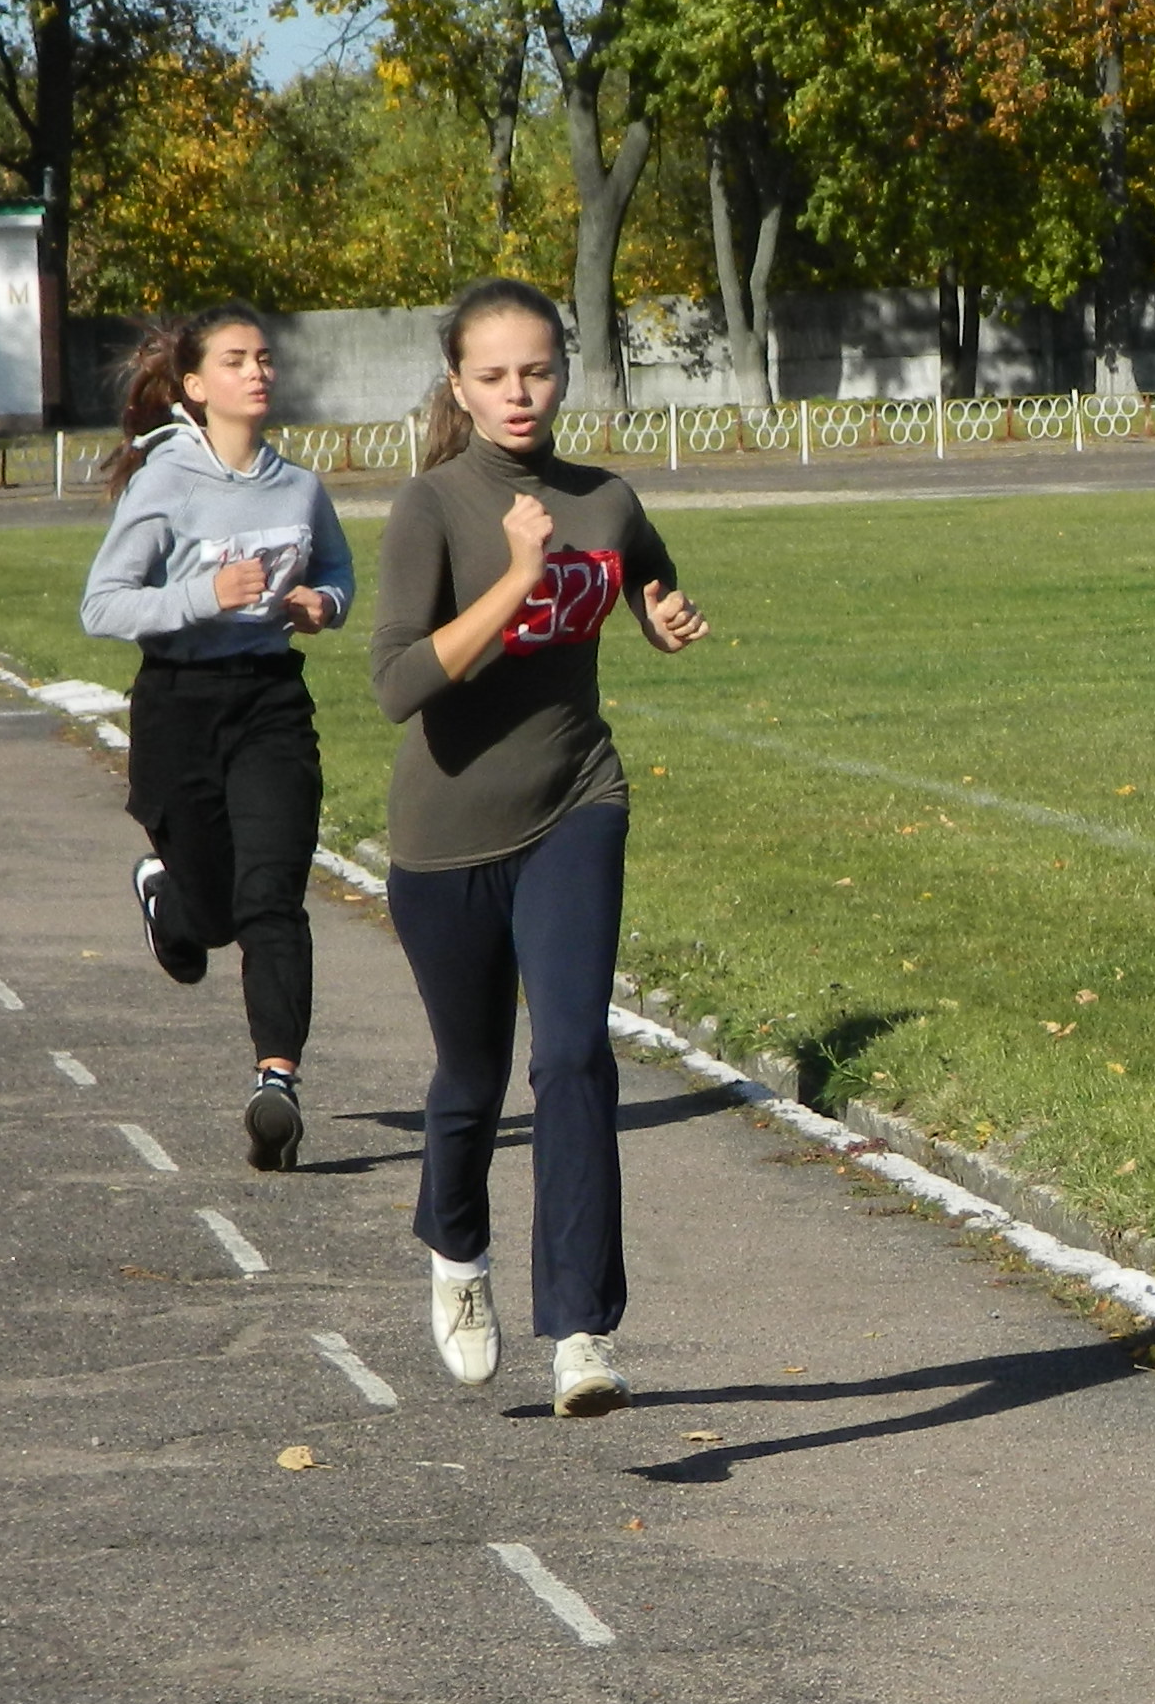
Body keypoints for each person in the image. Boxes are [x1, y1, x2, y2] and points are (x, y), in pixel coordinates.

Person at [369, 280, 705, 1414]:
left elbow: (642, 569)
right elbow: (398, 684)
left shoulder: (603, 497)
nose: (522, 393)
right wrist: (515, 578)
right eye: (497, 375)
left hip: (577, 802)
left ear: (565, 373)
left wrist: (661, 617)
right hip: (445, 837)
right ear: (460, 386)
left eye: (541, 370)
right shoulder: (433, 505)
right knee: (470, 1080)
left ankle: (581, 1333)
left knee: (570, 1056)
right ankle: (458, 1259)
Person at [80, 305, 353, 1169]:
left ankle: (277, 1085)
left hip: (270, 699)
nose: (258, 372)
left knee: (273, 898)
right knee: (217, 913)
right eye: (236, 361)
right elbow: (104, 605)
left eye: (265, 358)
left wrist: (322, 604)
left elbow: (338, 571)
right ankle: (169, 896)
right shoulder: (162, 485)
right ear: (195, 388)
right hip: (179, 705)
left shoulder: (300, 486)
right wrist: (206, 597)